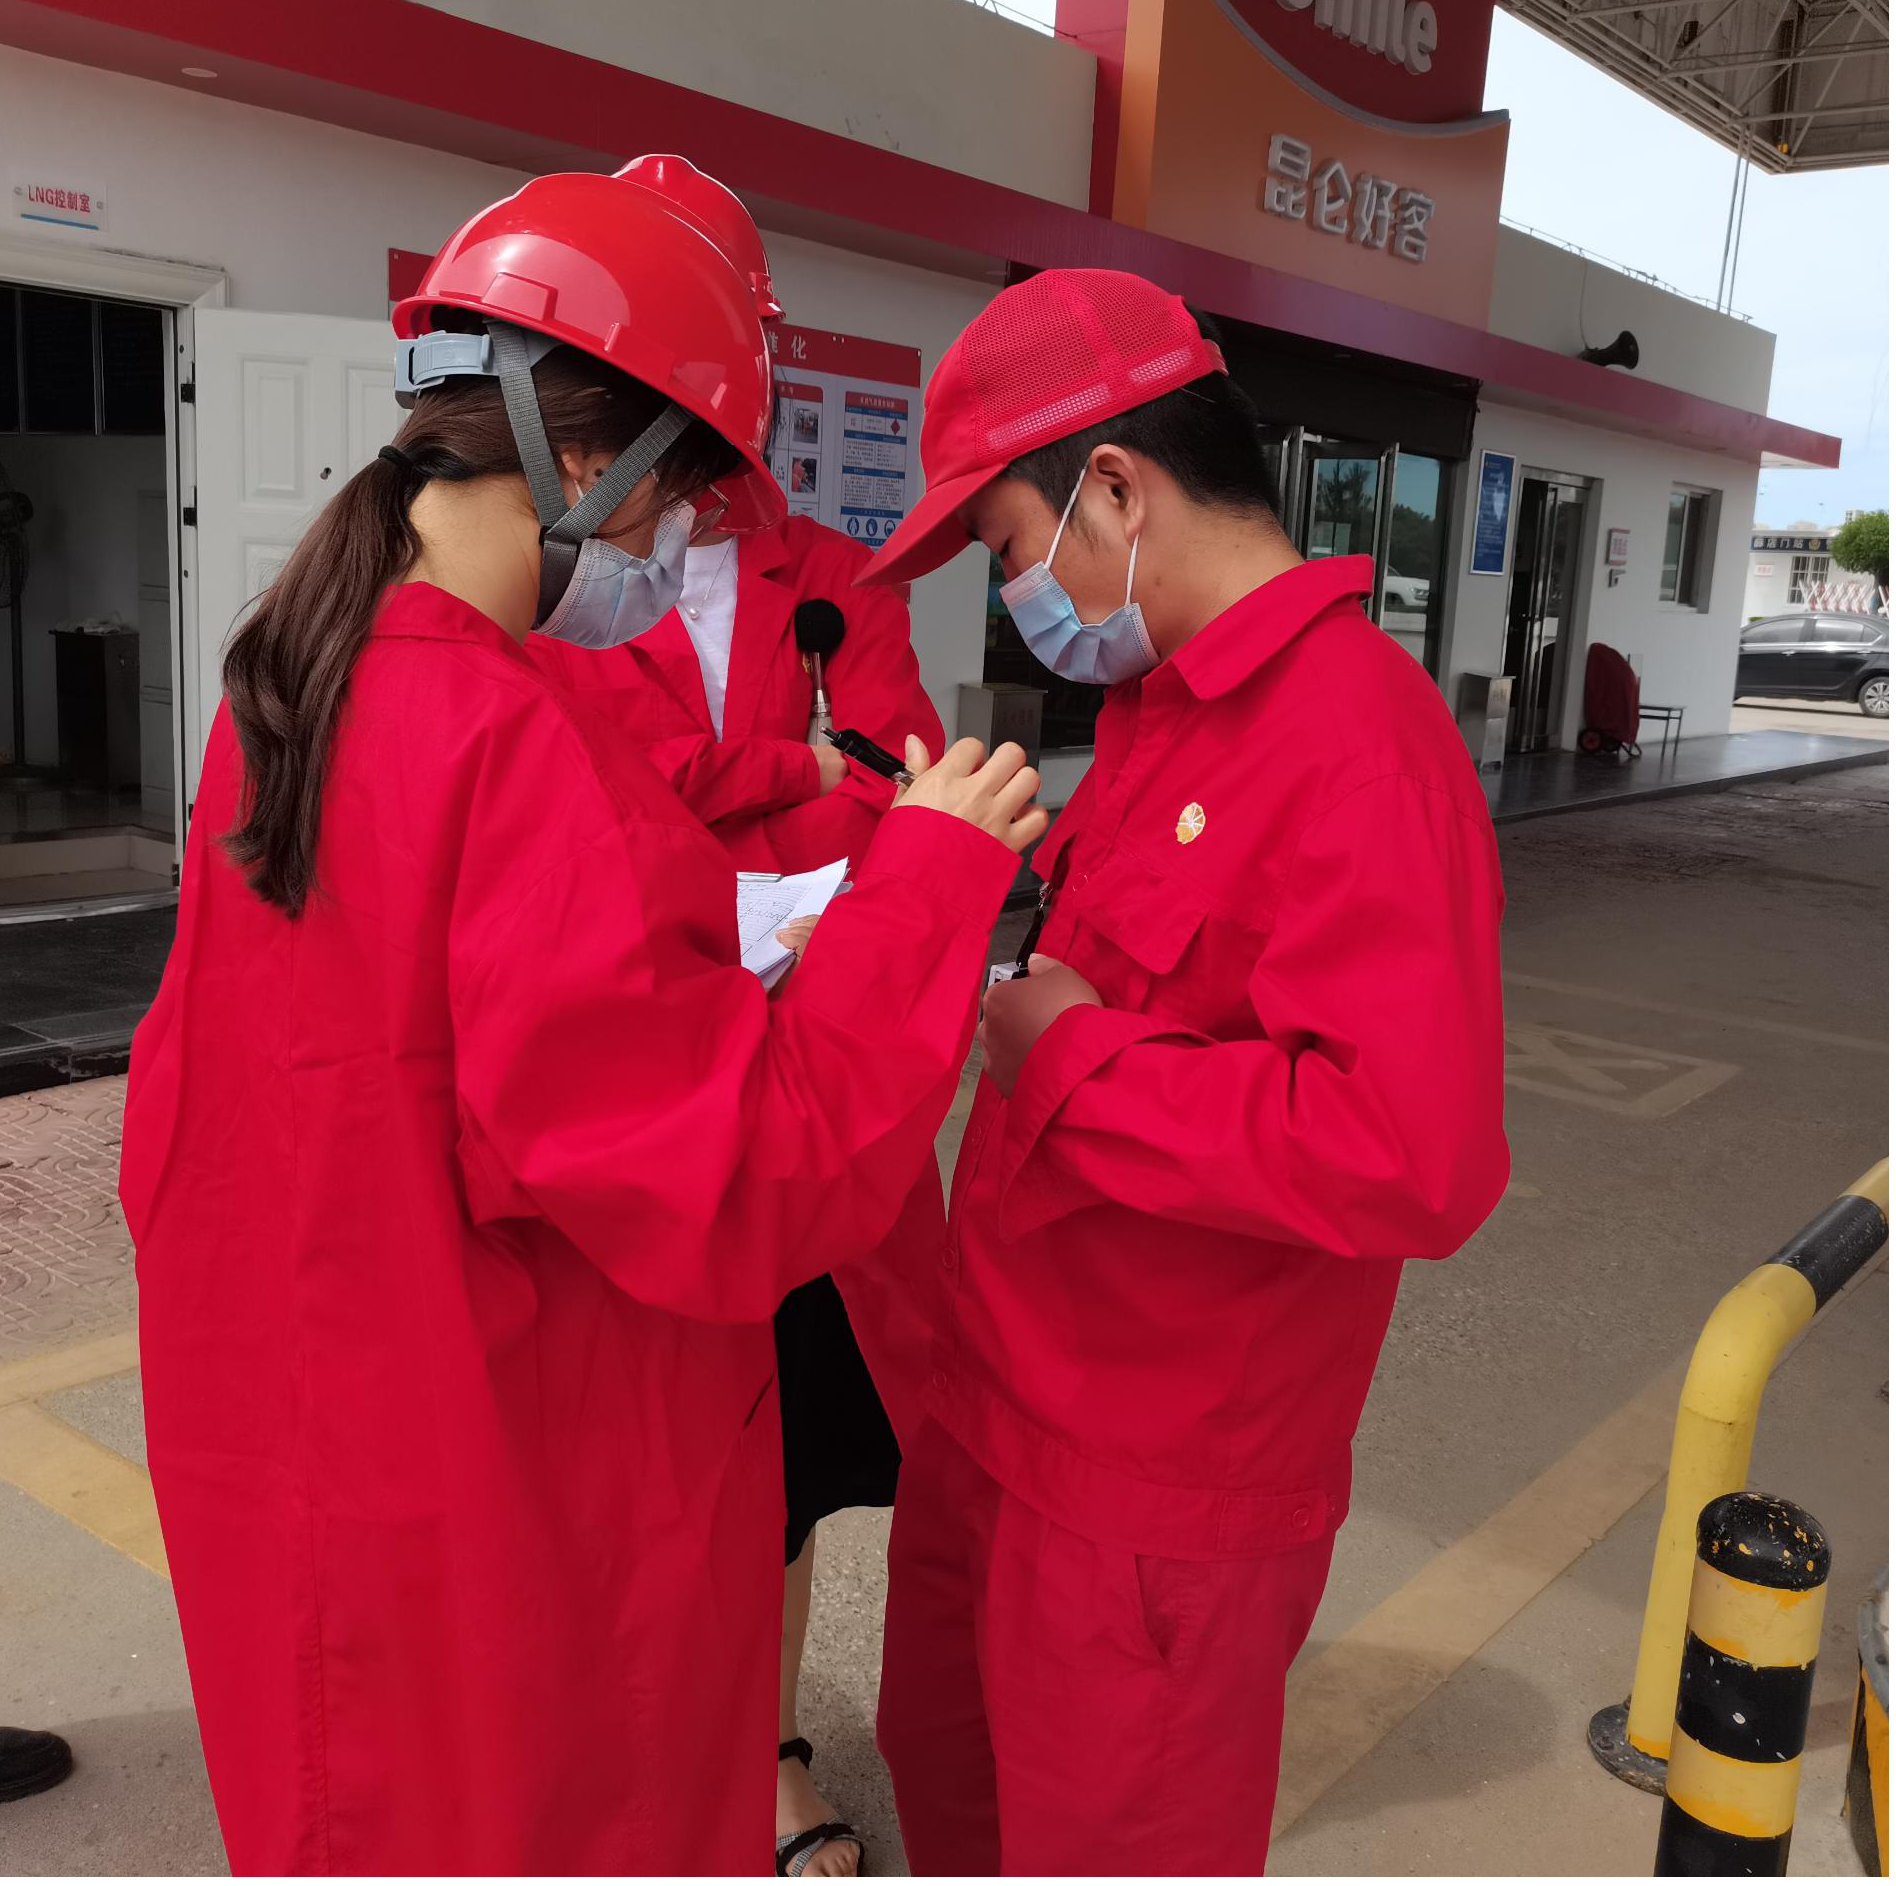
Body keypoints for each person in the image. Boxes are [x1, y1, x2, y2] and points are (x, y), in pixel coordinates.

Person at [118, 169, 1045, 1877]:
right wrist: (927, 886)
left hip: (317, 1448)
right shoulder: (498, 741)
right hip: (498, 1492)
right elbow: (743, 1170)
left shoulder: (296, 681)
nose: (675, 551)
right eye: (678, 505)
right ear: (588, 462)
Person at [853, 268, 1510, 1876]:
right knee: (945, 1773)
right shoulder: (1160, 702)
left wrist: (1076, 1056)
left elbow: (1410, 1149)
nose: (1013, 591)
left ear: (1116, 487)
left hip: (1151, 1491)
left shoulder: (1358, 736)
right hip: (1000, 1409)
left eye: (1007, 544)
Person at [527, 156, 940, 1879]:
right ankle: (620, 1733)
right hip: (609, 1073)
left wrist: (792, 842)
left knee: (781, 1449)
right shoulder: (540, 578)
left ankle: (762, 1747)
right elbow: (553, 811)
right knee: (599, 1439)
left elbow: (901, 789)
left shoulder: (837, 577)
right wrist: (781, 797)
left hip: (796, 1068)